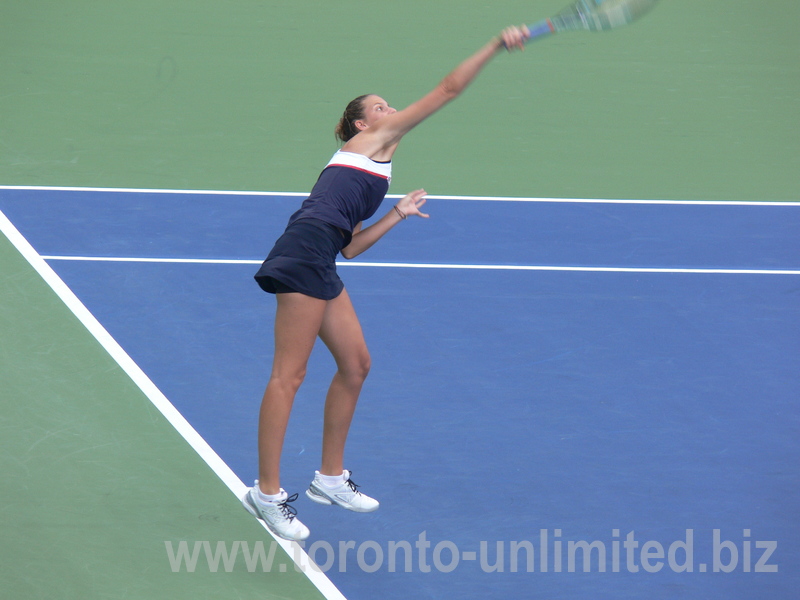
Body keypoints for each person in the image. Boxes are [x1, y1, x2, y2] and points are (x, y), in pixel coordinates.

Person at [242, 25, 530, 541]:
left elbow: (349, 245)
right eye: (379, 106)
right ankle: (265, 492)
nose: (388, 110)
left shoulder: (372, 166)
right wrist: (492, 45)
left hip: (324, 255)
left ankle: (330, 478)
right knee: (289, 375)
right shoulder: (369, 140)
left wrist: (396, 213)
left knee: (356, 364)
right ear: (360, 123)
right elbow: (447, 90)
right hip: (304, 251)